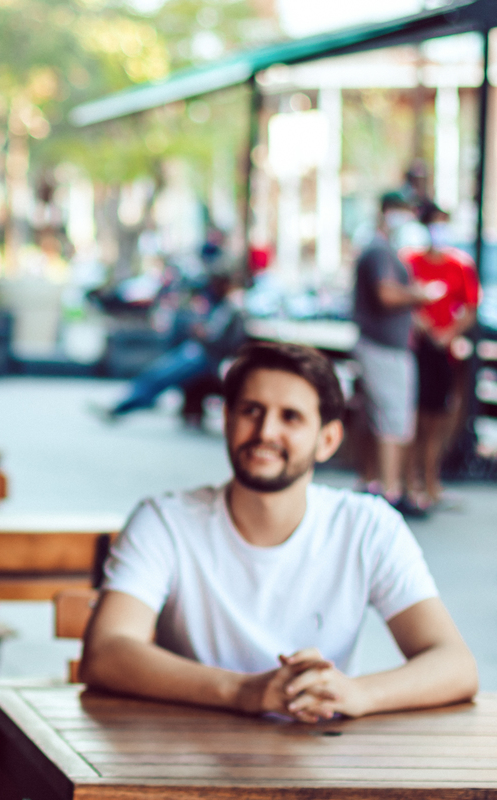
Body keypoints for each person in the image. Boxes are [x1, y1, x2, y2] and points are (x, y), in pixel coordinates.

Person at [80, 342, 477, 722]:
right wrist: (243, 692)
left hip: (318, 761)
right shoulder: (164, 522)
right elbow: (106, 652)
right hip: (185, 760)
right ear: (228, 419)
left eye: (291, 417)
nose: (266, 431)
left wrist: (358, 694)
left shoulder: (368, 526)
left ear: (328, 440)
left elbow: (455, 664)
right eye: (252, 410)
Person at [351, 191, 433, 516]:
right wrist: (418, 295)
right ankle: (388, 490)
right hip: (382, 345)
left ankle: (382, 484)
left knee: (387, 417)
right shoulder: (379, 250)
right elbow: (385, 295)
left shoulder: (384, 250)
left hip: (388, 344)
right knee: (390, 418)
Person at [402, 203, 480, 508]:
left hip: (444, 352)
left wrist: (447, 334)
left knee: (436, 419)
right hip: (417, 350)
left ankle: (430, 480)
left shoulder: (460, 265)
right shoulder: (409, 261)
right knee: (413, 419)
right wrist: (423, 325)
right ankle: (410, 481)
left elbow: (470, 309)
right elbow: (404, 302)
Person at [104, 273, 245, 421]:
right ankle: (125, 403)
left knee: (165, 373)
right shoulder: (214, 305)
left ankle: (125, 405)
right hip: (197, 352)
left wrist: (204, 335)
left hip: (209, 360)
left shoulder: (232, 310)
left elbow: (229, 343)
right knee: (159, 372)